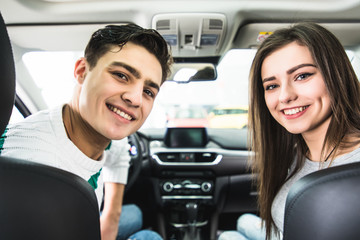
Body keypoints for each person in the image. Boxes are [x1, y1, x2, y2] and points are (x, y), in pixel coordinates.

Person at [0, 23, 172, 240]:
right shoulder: (39, 170)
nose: (135, 99)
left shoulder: (107, 132)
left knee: (136, 214)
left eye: (148, 91)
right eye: (121, 75)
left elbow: (118, 155)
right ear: (82, 71)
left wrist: (112, 213)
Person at [218, 22, 360, 240]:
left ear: (336, 75)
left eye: (302, 76)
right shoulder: (294, 150)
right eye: (272, 86)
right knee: (241, 223)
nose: (284, 96)